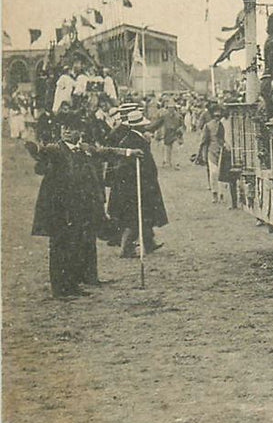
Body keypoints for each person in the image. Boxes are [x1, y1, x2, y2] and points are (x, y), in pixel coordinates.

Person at [29, 111, 141, 297]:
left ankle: (73, 284)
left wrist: (129, 152)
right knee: (61, 247)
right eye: (64, 128)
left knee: (76, 245)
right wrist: (36, 152)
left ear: (79, 132)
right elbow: (41, 161)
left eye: (71, 128)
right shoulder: (55, 149)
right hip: (60, 209)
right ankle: (61, 289)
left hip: (80, 207)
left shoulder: (84, 148)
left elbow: (105, 151)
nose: (66, 132)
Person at [106, 108, 167, 257]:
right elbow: (127, 166)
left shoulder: (135, 138)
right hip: (135, 186)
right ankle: (125, 248)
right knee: (134, 218)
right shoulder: (133, 140)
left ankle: (149, 243)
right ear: (138, 126)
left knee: (144, 215)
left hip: (142, 183)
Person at [198, 104, 228, 204]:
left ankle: (222, 194)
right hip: (212, 151)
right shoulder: (208, 125)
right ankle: (214, 193)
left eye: (219, 116)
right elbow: (203, 140)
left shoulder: (225, 125)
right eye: (215, 116)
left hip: (223, 151)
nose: (217, 118)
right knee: (213, 173)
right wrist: (201, 153)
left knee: (222, 173)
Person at [146, 98, 184, 168]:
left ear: (174, 108)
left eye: (172, 108)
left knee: (175, 149)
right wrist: (148, 128)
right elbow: (157, 124)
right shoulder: (164, 116)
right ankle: (167, 162)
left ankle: (176, 163)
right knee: (167, 150)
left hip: (176, 135)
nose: (171, 109)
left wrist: (180, 131)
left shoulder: (178, 117)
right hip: (167, 135)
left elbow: (183, 126)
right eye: (169, 108)